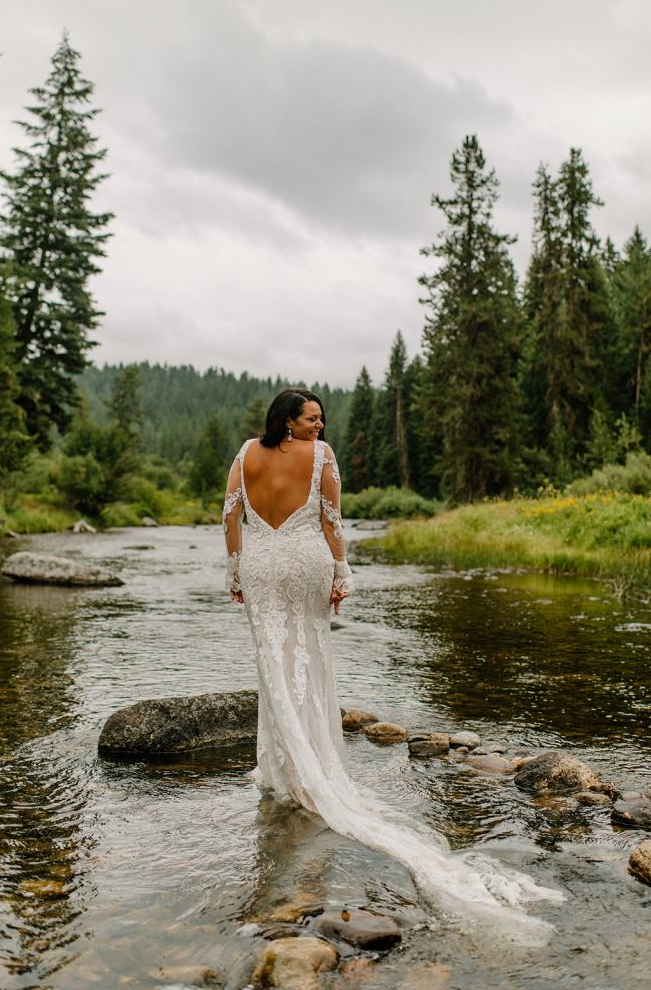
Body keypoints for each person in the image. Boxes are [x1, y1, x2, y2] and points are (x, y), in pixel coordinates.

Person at [223, 388, 562, 940]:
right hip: (307, 561)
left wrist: (235, 569)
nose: (320, 424)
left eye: (321, 418)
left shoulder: (245, 453)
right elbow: (332, 522)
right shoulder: (324, 458)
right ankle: (309, 768)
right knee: (308, 657)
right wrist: (343, 574)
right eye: (311, 417)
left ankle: (284, 769)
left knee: (273, 663)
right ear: (287, 421)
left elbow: (230, 513)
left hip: (261, 564)